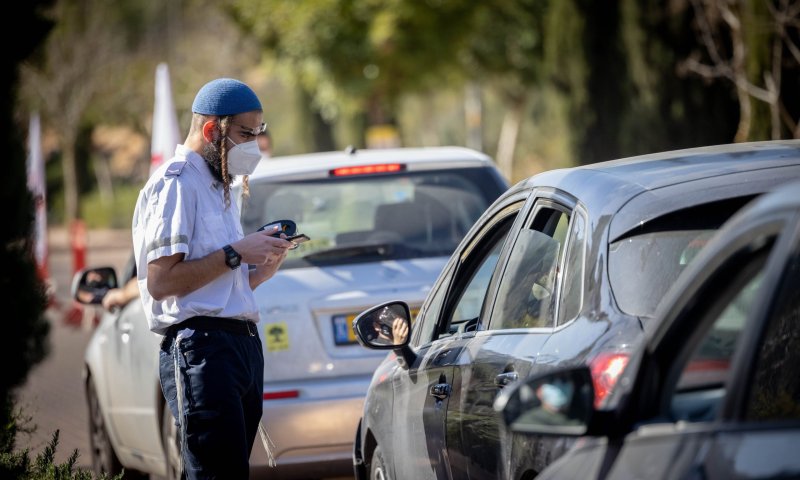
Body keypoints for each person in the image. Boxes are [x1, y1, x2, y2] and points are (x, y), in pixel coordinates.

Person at [132, 77, 292, 479]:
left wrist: (258, 270)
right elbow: (162, 282)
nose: (252, 145)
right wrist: (237, 253)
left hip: (237, 347)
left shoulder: (218, 183)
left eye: (257, 133)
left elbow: (217, 281)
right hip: (201, 350)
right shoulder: (177, 182)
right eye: (244, 133)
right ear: (211, 130)